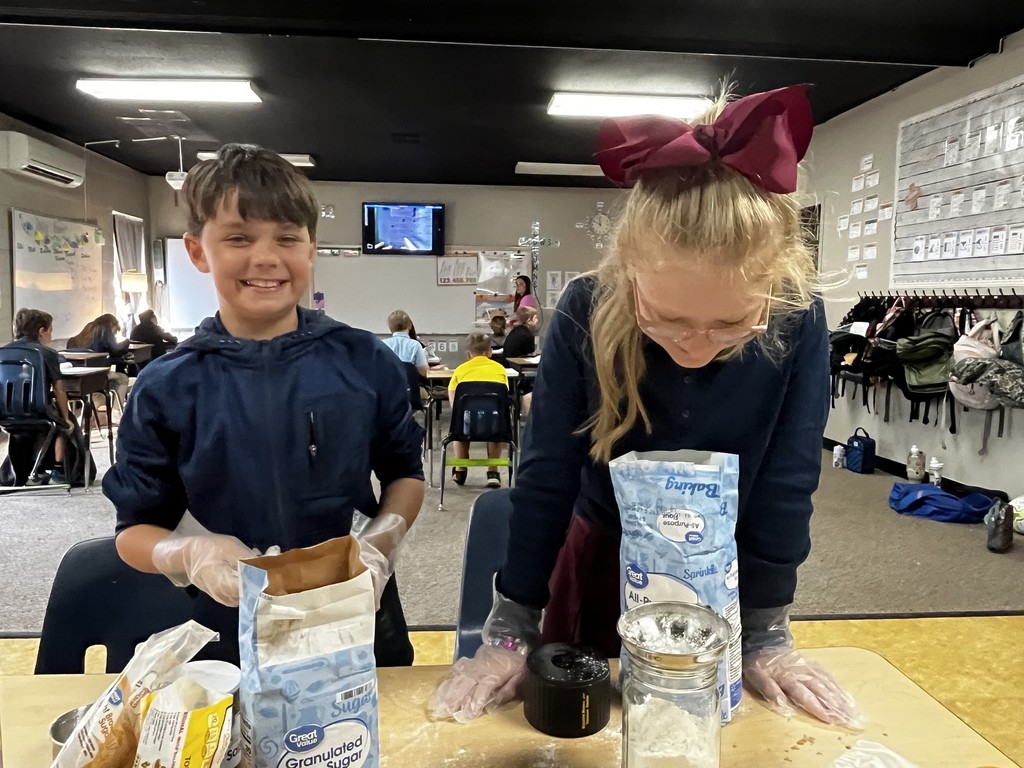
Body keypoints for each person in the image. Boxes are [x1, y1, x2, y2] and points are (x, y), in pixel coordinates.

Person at [432, 85, 861, 728]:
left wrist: (768, 631)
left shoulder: (798, 316)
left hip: (727, 568)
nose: (695, 346)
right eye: (666, 319)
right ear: (631, 275)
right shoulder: (587, 306)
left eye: (730, 325)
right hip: (604, 555)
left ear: (771, 289)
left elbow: (787, 479)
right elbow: (547, 477)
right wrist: (511, 628)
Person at [102, 143, 425, 666]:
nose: (267, 257)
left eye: (287, 238)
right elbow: (133, 532)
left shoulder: (364, 360)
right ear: (198, 251)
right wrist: (189, 552)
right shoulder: (167, 385)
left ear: (311, 248)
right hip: (228, 621)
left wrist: (381, 541)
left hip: (353, 607)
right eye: (238, 238)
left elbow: (405, 474)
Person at [5, 308, 74, 483]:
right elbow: (59, 390)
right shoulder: (47, 353)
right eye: (51, 330)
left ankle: (19, 471)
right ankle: (59, 470)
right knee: (64, 421)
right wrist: (66, 419)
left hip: (5, 412)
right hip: (38, 412)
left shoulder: (2, 352)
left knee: (24, 424)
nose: (51, 335)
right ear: (41, 331)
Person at [447, 332, 508, 489]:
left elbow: (454, 403)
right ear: (490, 352)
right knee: (496, 428)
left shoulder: (460, 370)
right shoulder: (500, 370)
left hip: (465, 424)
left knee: (459, 424)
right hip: (494, 424)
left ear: (468, 354)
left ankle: (460, 469)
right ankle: (493, 472)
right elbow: (503, 398)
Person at [66, 313, 131, 410]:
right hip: (94, 376)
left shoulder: (88, 328)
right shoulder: (105, 328)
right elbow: (116, 349)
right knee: (122, 378)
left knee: (104, 381)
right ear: (113, 325)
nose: (114, 335)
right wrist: (127, 342)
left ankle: (99, 401)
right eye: (115, 332)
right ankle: (116, 411)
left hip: (76, 379)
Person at [501, 306, 540, 415]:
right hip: (516, 371)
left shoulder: (515, 332)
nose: (537, 321)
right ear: (529, 320)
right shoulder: (527, 334)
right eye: (535, 318)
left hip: (508, 367)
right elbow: (530, 351)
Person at [382, 309, 428, 377]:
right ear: (410, 326)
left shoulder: (383, 344)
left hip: (388, 386)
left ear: (390, 328)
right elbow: (424, 372)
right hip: (410, 386)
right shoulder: (415, 345)